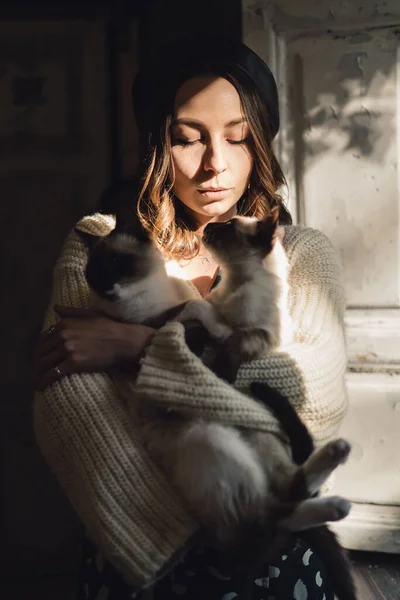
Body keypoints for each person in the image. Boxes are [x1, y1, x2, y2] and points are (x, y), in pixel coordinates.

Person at [33, 37, 348, 600]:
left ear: (262, 144)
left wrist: (139, 348)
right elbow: (70, 408)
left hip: (282, 565)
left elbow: (313, 398)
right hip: (151, 560)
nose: (214, 164)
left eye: (237, 137)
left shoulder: (303, 254)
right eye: (187, 138)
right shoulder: (100, 246)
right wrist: (199, 531)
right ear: (158, 143)